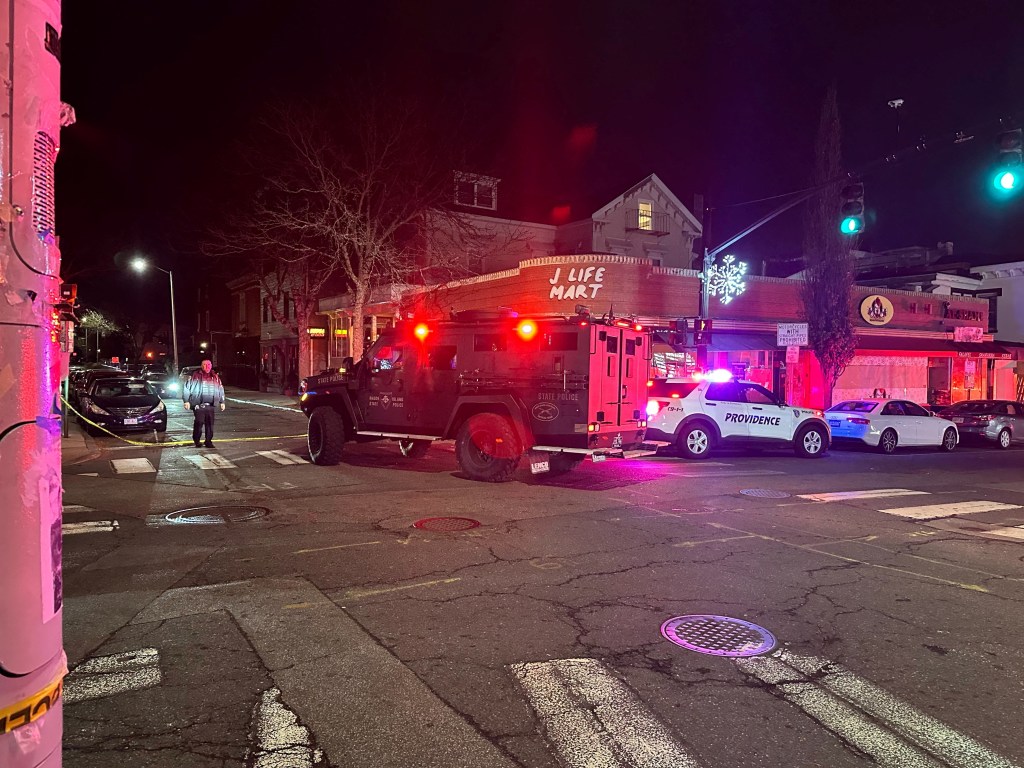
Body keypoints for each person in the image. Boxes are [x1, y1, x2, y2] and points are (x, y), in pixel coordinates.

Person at [182, 358, 225, 447]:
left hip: (211, 405)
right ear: (201, 366)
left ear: (211, 366)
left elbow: (220, 389)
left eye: (209, 365)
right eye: (205, 365)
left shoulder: (215, 377)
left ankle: (208, 441)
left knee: (210, 424)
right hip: (198, 405)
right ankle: (197, 440)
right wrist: (186, 401)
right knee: (199, 422)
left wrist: (222, 401)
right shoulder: (195, 376)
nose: (207, 367)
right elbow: (186, 388)